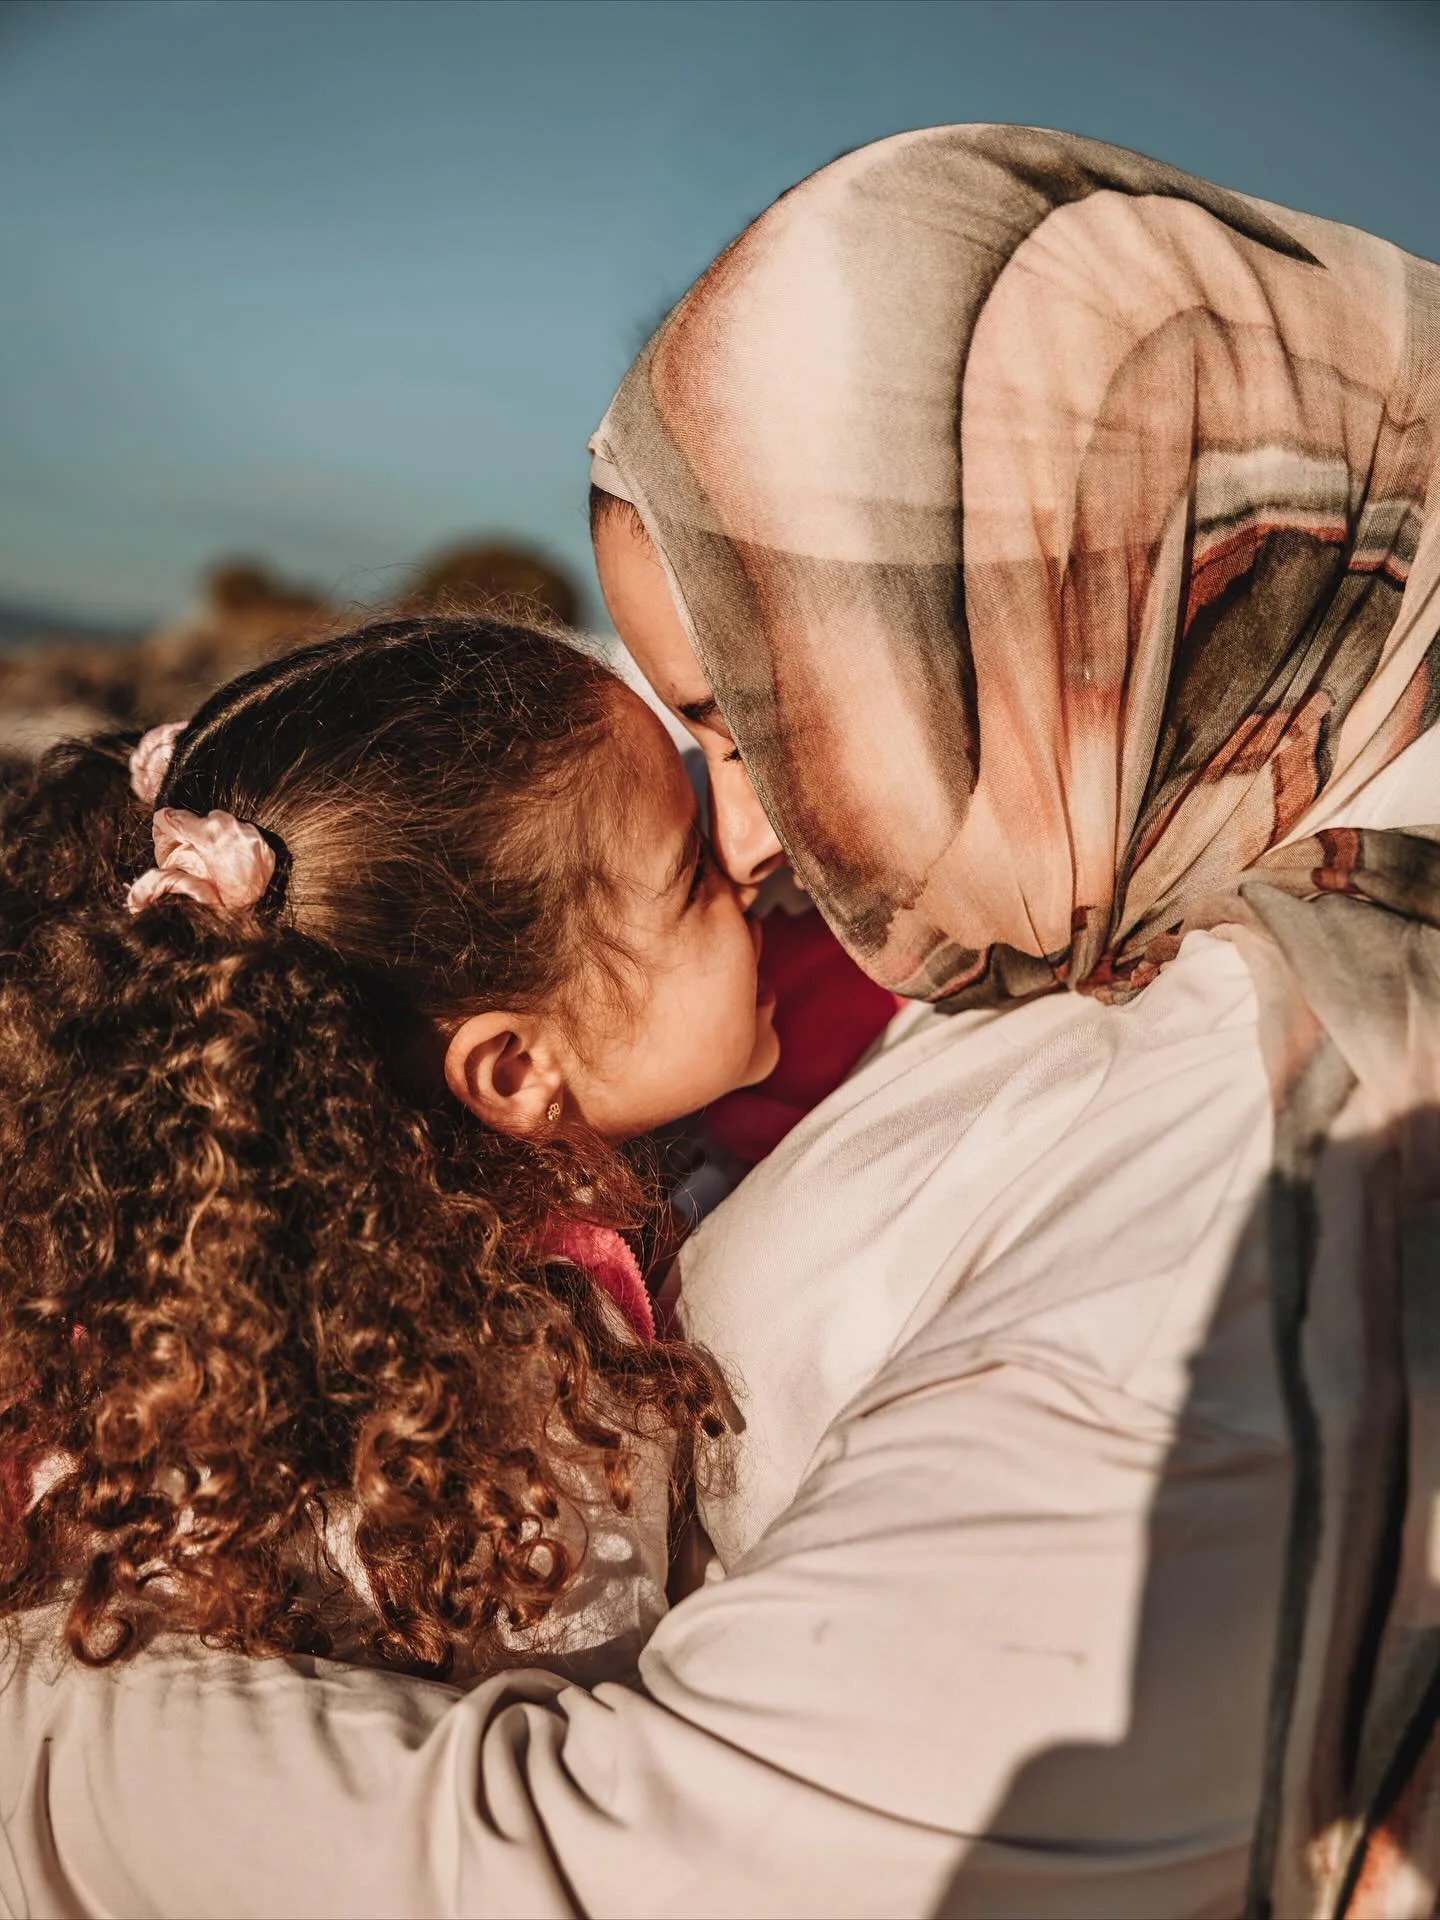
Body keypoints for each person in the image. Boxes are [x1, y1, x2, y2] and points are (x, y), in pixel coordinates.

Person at [4, 124, 1440, 1920]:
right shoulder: (1124, 888)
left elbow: (673, 1868)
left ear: (1080, 606)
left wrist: (44, 1734)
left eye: (766, 721)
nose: (758, 842)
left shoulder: (1290, 1163)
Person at [0, 611, 783, 1692]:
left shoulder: (268, 1289)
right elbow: (578, 1700)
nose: (753, 859)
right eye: (693, 872)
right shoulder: (521, 1388)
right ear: (512, 1072)